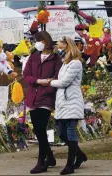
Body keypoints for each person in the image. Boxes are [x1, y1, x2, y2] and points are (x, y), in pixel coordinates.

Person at [23, 31, 62, 174]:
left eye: (39, 40)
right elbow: (26, 76)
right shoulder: (33, 57)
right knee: (38, 130)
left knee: (40, 128)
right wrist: (39, 81)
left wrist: (47, 89)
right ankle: (50, 156)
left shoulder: (55, 59)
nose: (37, 43)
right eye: (35, 40)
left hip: (46, 98)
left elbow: (57, 77)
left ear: (46, 41)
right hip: (33, 97)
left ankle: (42, 162)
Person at [48, 36, 88, 175]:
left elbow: (64, 82)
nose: (57, 44)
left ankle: (70, 164)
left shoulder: (75, 63)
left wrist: (50, 82)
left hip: (72, 100)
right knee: (61, 133)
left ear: (66, 45)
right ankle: (81, 155)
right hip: (63, 101)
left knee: (70, 133)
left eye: (60, 42)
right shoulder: (65, 63)